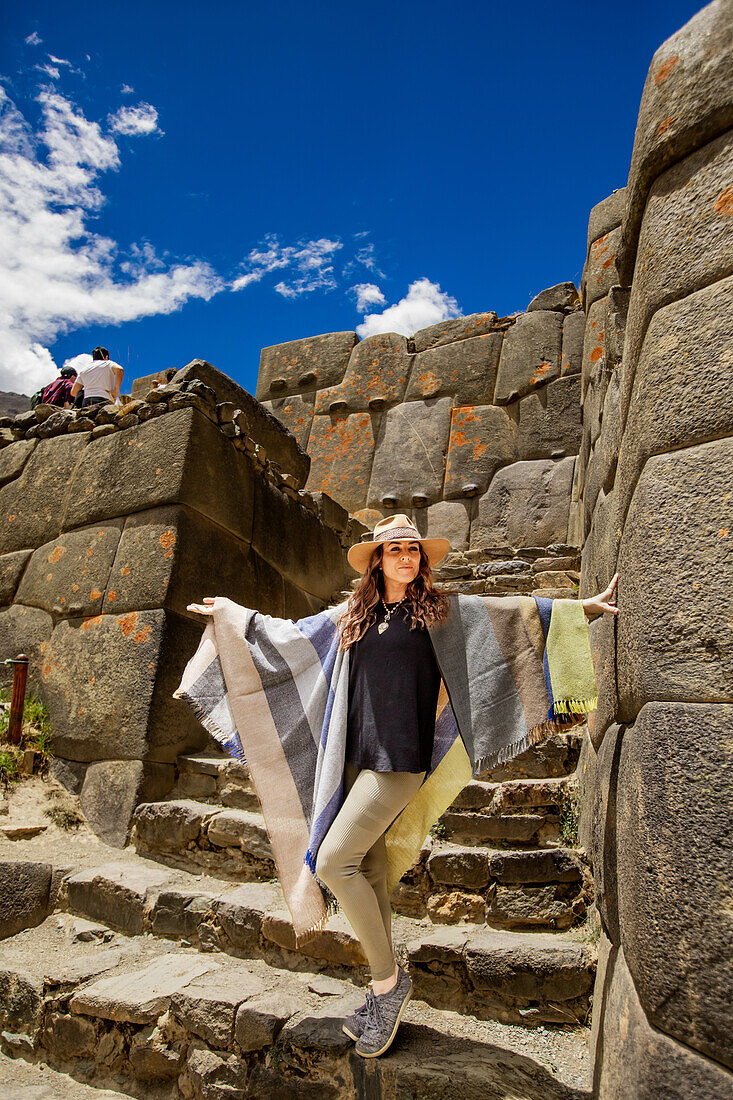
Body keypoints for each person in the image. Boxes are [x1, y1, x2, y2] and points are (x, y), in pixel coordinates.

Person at [181, 514, 619, 1058]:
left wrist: (580, 610)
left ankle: (390, 987)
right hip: (354, 756)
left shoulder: (441, 613)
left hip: (400, 762)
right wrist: (229, 616)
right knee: (366, 868)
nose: (407, 558)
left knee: (333, 860)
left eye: (414, 550)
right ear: (377, 561)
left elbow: (512, 617)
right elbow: (289, 636)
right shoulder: (353, 618)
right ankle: (379, 988)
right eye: (396, 550)